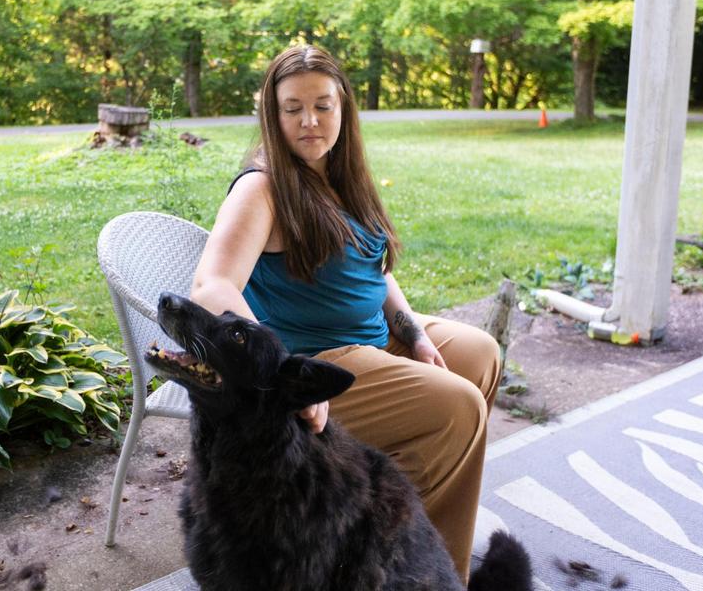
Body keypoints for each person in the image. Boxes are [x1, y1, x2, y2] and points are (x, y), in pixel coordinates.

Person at [189, 44, 501, 582]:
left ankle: (386, 521)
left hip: (374, 338)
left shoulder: (343, 175)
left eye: (323, 105)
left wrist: (415, 332)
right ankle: (427, 573)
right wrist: (281, 371)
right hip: (322, 357)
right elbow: (211, 284)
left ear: (344, 108)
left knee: (479, 354)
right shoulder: (262, 188)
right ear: (273, 113)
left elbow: (374, 267)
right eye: (293, 108)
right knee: (458, 407)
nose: (310, 120)